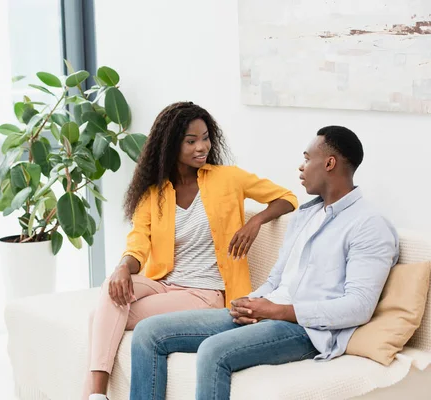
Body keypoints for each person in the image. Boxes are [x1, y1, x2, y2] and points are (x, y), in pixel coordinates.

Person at [129, 125, 400, 400]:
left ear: (330, 163)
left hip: (306, 330)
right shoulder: (304, 216)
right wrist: (250, 303)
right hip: (269, 313)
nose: (301, 167)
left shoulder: (368, 225)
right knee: (148, 332)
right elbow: (276, 280)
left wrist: (278, 310)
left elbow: (359, 307)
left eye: (307, 158)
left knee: (213, 351)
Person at [85, 102, 298, 400]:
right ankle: (97, 396)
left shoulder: (228, 178)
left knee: (102, 316)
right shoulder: (154, 193)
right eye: (191, 141)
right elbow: (138, 244)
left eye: (206, 137)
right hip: (162, 283)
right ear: (171, 145)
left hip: (205, 293)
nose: (203, 147)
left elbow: (287, 198)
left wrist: (257, 222)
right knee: (112, 289)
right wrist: (122, 266)